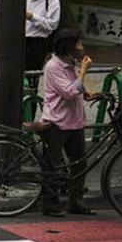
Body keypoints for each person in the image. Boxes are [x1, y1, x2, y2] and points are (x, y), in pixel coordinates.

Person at [39, 29, 97, 217]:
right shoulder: (53, 66)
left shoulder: (69, 63)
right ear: (69, 47)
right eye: (79, 44)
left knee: (79, 163)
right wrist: (83, 71)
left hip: (74, 120)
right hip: (57, 121)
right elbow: (69, 92)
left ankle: (76, 202)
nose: (82, 48)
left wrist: (85, 91)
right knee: (52, 165)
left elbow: (74, 87)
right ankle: (50, 204)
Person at [25, 0, 62, 85]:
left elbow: (52, 24)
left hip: (38, 42)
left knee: (33, 74)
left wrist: (32, 17)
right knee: (18, 74)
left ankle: (31, 99)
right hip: (22, 40)